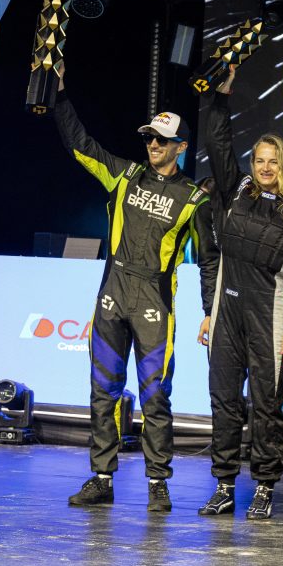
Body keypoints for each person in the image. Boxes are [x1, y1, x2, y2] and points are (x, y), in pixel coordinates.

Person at [57, 76, 219, 513]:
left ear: (181, 147)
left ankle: (157, 483)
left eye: (162, 140)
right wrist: (59, 94)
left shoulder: (194, 199)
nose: (153, 145)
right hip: (113, 292)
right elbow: (80, 145)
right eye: (149, 137)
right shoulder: (124, 176)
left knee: (155, 395)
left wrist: (209, 310)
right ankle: (102, 478)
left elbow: (210, 260)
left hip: (155, 301)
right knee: (103, 390)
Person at [197, 67, 283, 520]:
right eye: (259, 161)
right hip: (226, 313)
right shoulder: (235, 192)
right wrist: (222, 96)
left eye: (273, 161)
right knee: (224, 402)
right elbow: (218, 145)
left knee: (266, 407)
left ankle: (265, 486)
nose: (265, 168)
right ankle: (224, 486)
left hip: (269, 318)